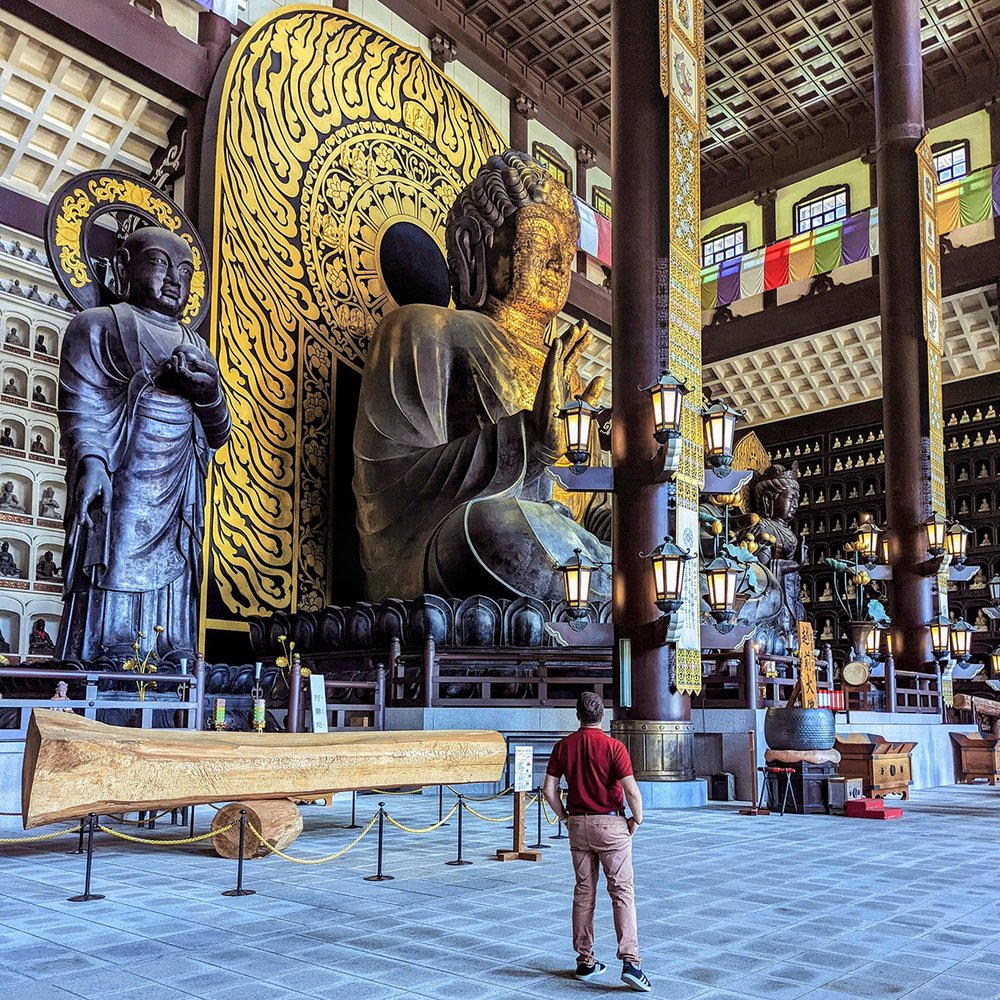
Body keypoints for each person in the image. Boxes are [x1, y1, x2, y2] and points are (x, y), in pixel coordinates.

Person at [354, 150, 608, 601]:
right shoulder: (424, 329)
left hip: (562, 553)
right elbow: (387, 487)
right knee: (494, 529)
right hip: (458, 551)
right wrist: (526, 439)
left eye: (567, 256)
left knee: (663, 559)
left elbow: (587, 515)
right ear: (476, 246)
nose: (557, 266)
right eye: (539, 241)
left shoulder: (563, 376)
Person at [57, 226, 230, 661]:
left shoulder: (197, 344)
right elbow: (82, 404)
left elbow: (219, 432)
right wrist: (93, 463)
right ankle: (109, 647)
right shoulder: (97, 325)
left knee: (176, 566)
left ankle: (171, 649)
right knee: (116, 552)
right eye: (158, 263)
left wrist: (207, 394)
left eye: (185, 271)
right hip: (124, 462)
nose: (174, 279)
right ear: (122, 268)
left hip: (179, 476)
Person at [542, 692, 650, 993]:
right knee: (621, 892)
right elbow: (632, 792)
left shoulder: (563, 746)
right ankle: (630, 962)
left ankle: (586, 960)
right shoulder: (614, 747)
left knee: (583, 893)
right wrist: (636, 819)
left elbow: (549, 789)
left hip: (578, 824)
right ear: (602, 716)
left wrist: (564, 817)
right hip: (612, 824)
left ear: (578, 716)